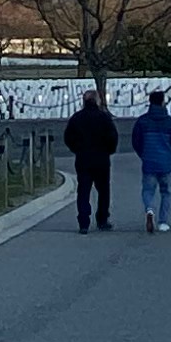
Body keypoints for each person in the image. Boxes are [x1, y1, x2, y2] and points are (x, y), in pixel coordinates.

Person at [62, 88, 118, 234]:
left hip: (83, 158)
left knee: (83, 190)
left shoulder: (77, 118)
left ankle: (83, 222)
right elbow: (112, 137)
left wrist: (77, 149)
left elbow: (68, 137)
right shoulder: (104, 118)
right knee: (104, 190)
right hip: (101, 158)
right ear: (97, 101)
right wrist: (109, 150)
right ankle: (102, 219)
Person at [131, 91, 171, 232]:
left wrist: (143, 154)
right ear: (163, 102)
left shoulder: (142, 121)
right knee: (166, 192)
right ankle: (163, 222)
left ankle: (149, 209)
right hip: (166, 162)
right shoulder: (170, 121)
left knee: (148, 190)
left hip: (148, 161)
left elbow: (136, 141)